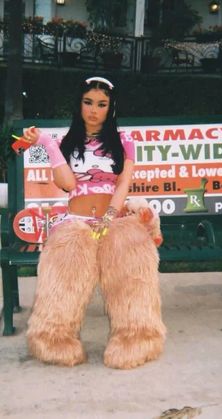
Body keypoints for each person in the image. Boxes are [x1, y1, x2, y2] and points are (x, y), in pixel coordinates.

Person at [25, 76, 166, 369]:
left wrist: (110, 217)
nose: (94, 110)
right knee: (66, 257)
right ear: (80, 104)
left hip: (112, 218)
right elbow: (66, 184)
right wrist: (48, 144)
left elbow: (124, 182)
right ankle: (54, 337)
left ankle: (137, 335)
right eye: (88, 102)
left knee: (129, 250)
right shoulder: (67, 141)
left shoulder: (124, 141)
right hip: (76, 220)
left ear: (110, 108)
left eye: (102, 104)